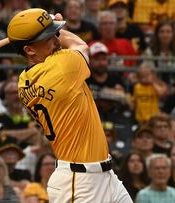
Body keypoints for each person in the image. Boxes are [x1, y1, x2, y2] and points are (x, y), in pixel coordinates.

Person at [7, 8, 132, 202]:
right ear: (29, 49)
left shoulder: (24, 80)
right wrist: (56, 25)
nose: (56, 40)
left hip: (101, 175)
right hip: (80, 182)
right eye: (49, 37)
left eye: (54, 34)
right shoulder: (63, 66)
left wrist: (48, 26)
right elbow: (79, 44)